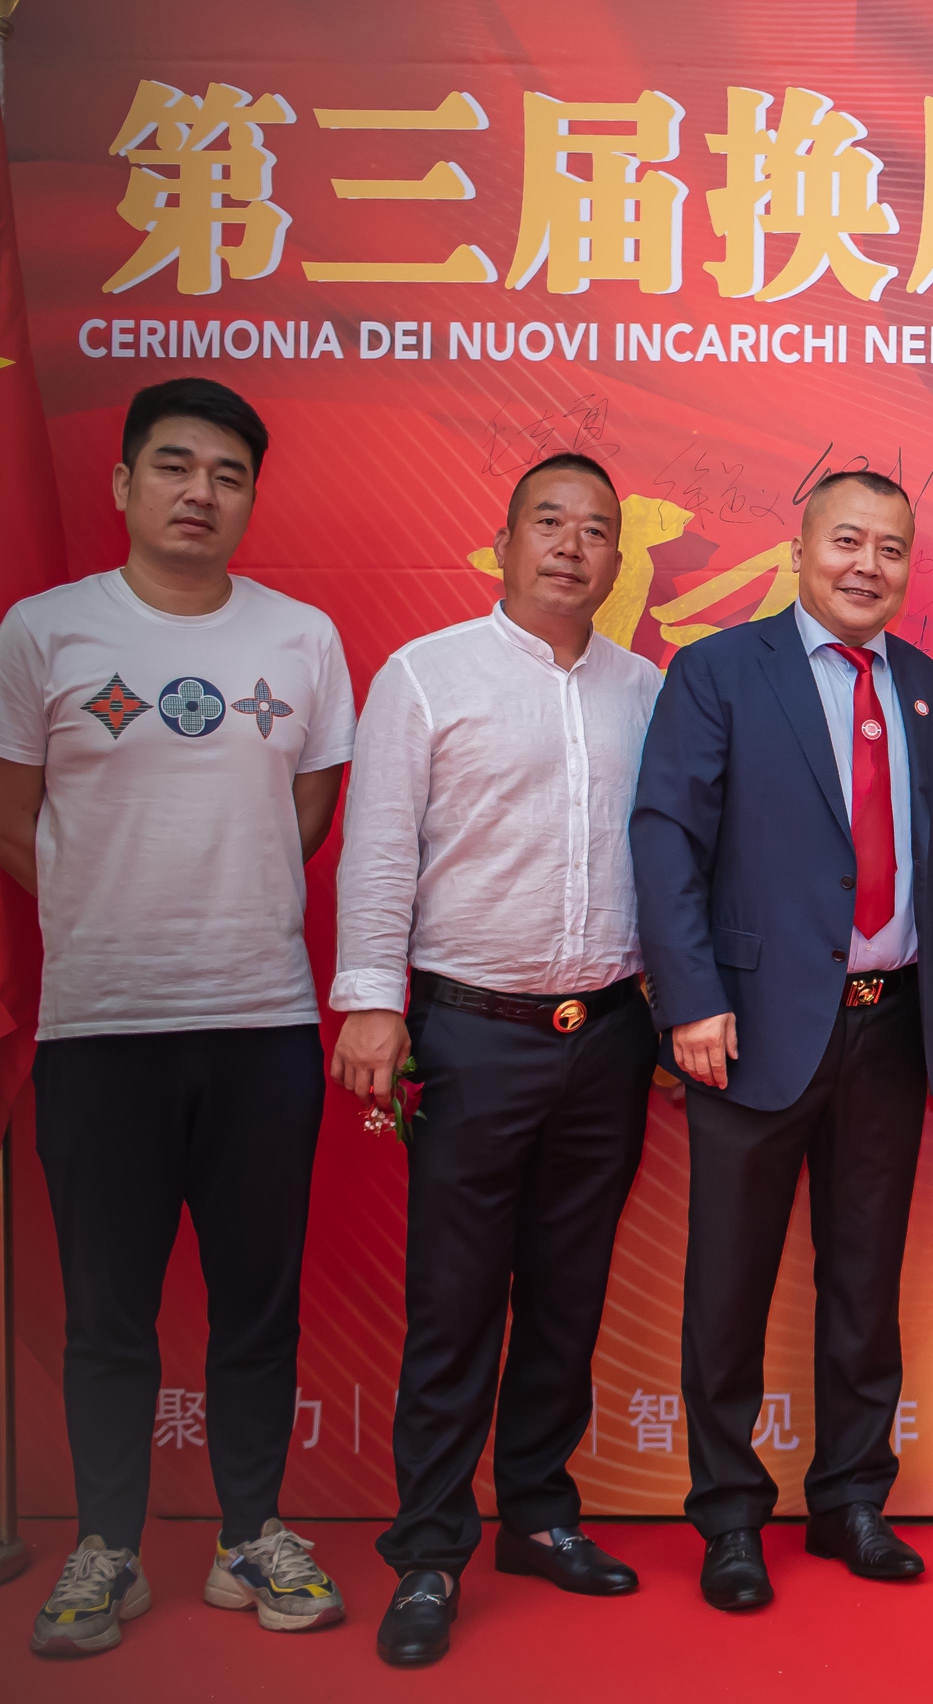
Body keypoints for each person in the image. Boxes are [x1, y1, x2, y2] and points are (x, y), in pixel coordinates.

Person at [1, 379, 353, 1657]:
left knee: (259, 1302)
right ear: (124, 484)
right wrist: (110, 912)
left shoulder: (301, 638)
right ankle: (107, 1547)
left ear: (252, 496)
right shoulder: (43, 632)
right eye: (174, 466)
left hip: (261, 1023)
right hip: (101, 1029)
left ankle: (249, 1536)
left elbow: (308, 811)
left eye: (228, 474)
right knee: (108, 1312)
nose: (200, 492)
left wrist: (222, 902)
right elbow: (15, 814)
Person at [331, 452, 661, 1666]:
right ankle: (427, 1550)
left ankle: (537, 1513)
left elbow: (678, 861)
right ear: (506, 539)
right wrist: (373, 1003)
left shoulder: (648, 690)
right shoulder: (426, 676)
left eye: (597, 530)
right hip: (470, 1033)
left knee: (569, 1294)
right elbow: (378, 850)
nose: (573, 546)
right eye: (550, 523)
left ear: (618, 556)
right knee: (456, 1300)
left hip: (609, 1033)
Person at [632, 469, 933, 1611]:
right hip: (747, 1028)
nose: (867, 565)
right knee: (729, 1284)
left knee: (864, 1280)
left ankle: (851, 1500)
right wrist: (689, 1000)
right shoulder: (720, 671)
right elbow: (667, 838)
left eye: (891, 548)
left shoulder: (931, 689)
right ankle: (730, 1516)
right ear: (801, 550)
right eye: (847, 541)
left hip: (891, 1025)